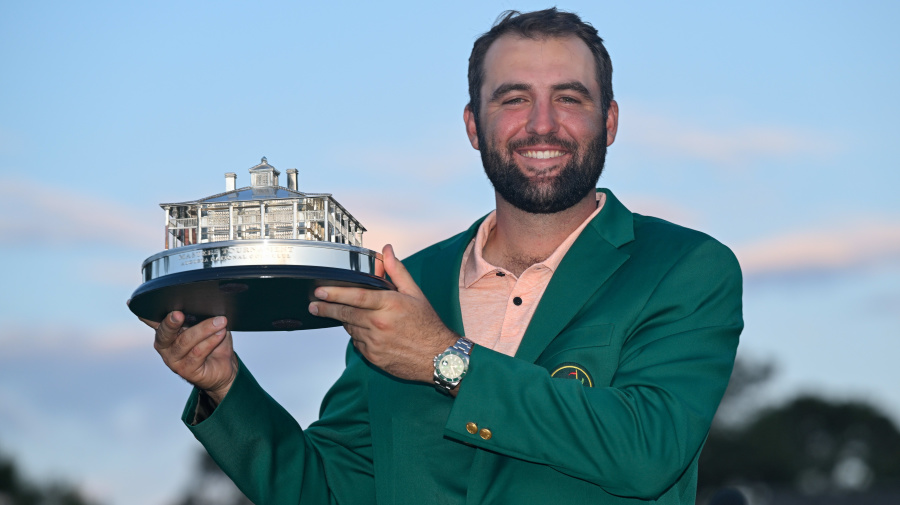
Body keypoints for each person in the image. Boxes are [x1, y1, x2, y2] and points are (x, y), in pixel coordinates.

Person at [143, 8, 743, 505]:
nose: (542, 124)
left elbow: (647, 451)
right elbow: (327, 489)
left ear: (608, 121)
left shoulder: (685, 268)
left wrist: (443, 358)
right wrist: (226, 389)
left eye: (569, 97)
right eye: (512, 99)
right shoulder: (407, 285)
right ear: (473, 126)